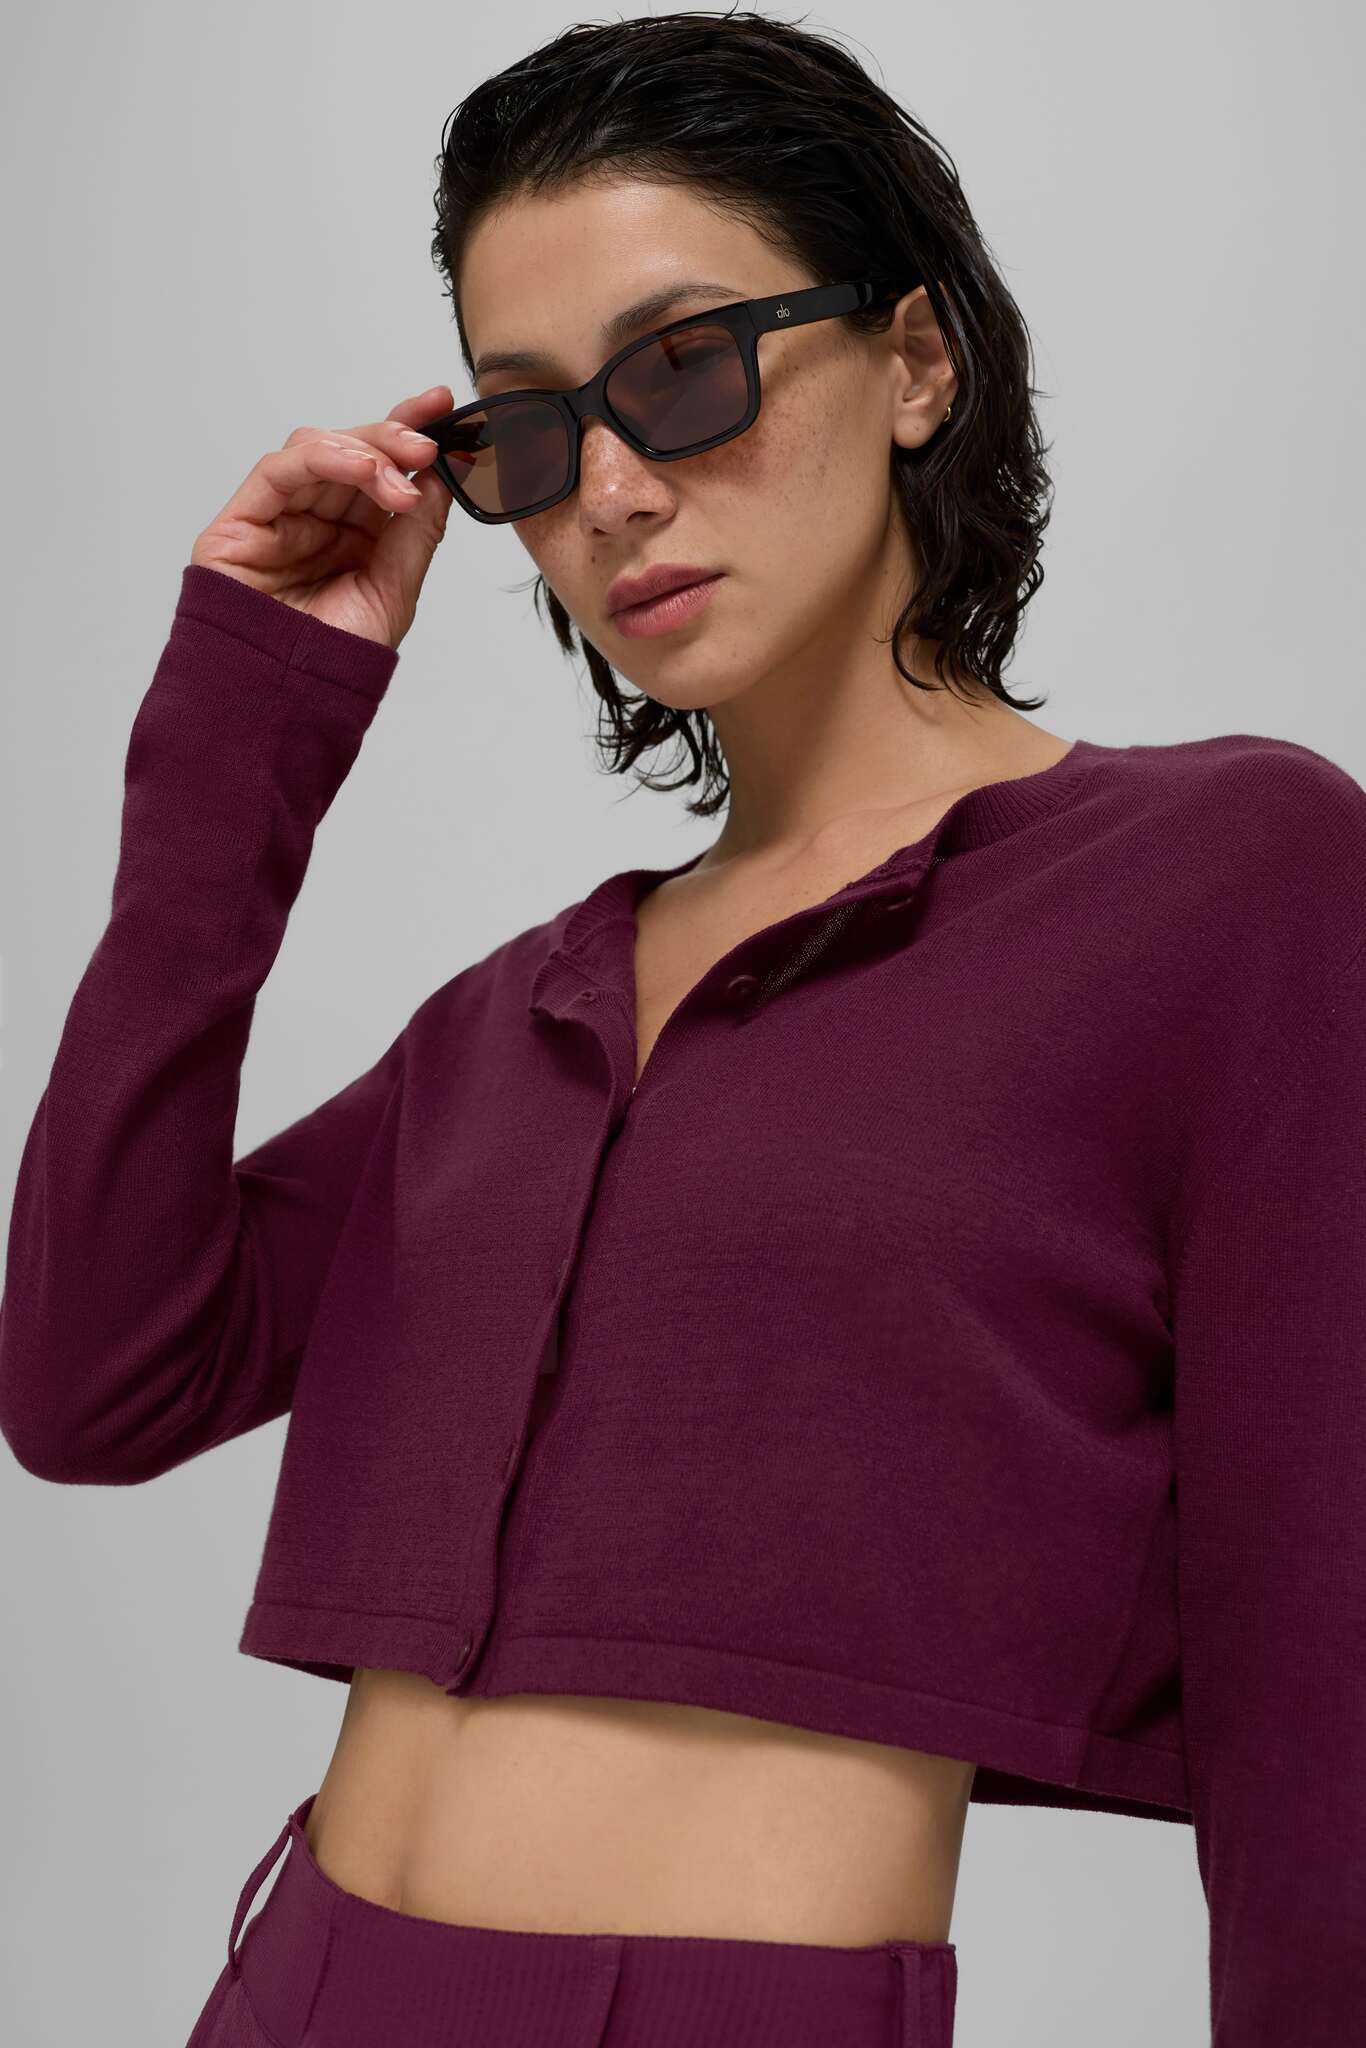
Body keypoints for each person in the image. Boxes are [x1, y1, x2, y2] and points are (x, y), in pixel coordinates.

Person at [3, 12, 1363, 2048]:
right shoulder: (519, 1013)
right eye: (532, 429)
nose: (613, 494)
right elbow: (92, 1381)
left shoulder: (1223, 877)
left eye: (684, 367)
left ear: (915, 363)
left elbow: (1319, 1657)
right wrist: (243, 725)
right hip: (289, 1989)